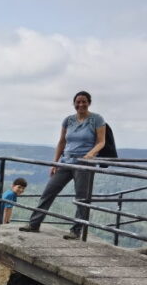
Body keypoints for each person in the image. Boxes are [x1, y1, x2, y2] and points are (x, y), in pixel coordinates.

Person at [20, 90, 106, 239]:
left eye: (84, 101)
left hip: (84, 163)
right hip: (66, 161)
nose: (81, 104)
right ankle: (34, 224)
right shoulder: (68, 120)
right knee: (49, 192)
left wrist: (91, 154)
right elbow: (62, 142)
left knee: (82, 198)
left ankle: (76, 231)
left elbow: (101, 142)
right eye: (78, 102)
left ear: (89, 103)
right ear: (74, 104)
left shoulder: (96, 119)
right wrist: (55, 162)